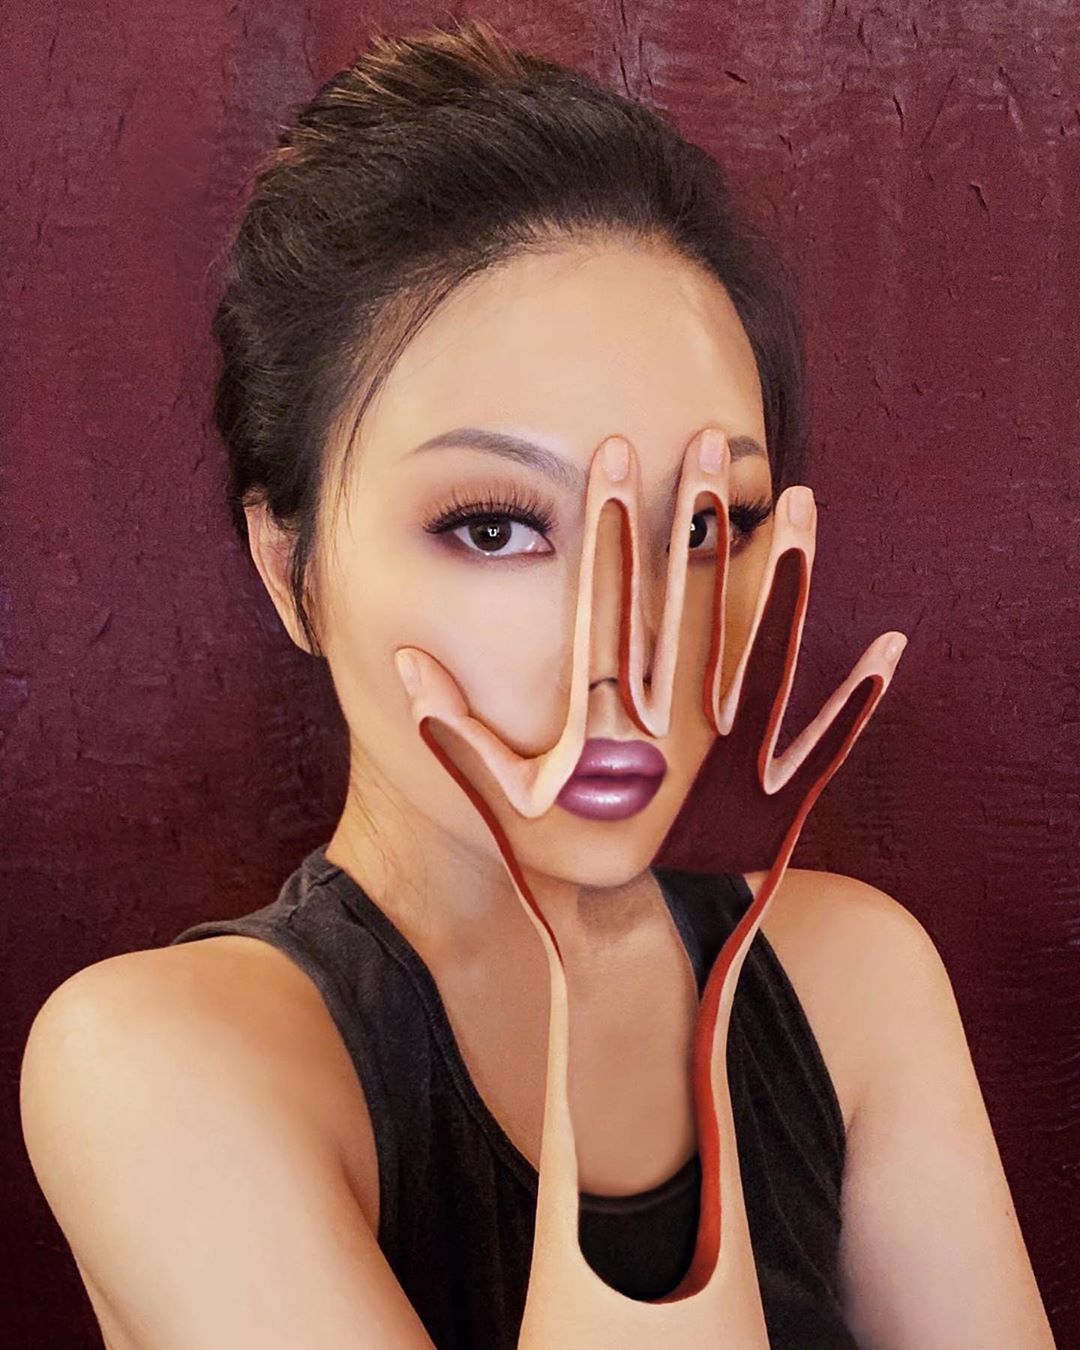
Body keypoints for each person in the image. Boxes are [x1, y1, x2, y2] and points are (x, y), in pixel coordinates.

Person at [20, 17, 1054, 1350]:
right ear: (292, 571)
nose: (626, 643)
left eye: (705, 525)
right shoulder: (160, 1062)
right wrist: (613, 956)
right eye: (498, 526)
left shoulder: (854, 981)